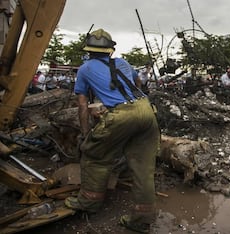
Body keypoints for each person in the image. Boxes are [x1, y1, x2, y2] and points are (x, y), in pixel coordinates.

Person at [64, 28, 160, 233]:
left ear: (89, 51)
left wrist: (86, 133)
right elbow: (138, 83)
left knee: (94, 155)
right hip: (146, 110)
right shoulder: (123, 62)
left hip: (122, 115)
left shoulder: (84, 69)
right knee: (143, 168)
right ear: (110, 50)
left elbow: (82, 106)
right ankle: (141, 220)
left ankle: (89, 202)